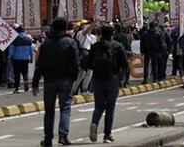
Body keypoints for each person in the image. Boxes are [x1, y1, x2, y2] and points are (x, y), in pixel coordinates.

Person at [33, 17, 81, 147]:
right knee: (65, 108)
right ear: (65, 28)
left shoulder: (46, 44)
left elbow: (39, 65)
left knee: (49, 111)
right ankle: (63, 135)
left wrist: (35, 83)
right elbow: (76, 63)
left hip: (49, 80)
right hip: (65, 79)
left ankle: (48, 139)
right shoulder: (70, 42)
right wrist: (73, 77)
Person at [86, 25, 128, 144]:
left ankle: (94, 123)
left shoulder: (95, 47)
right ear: (112, 33)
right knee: (110, 108)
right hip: (112, 79)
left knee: (98, 106)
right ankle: (107, 134)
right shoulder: (117, 46)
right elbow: (124, 64)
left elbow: (88, 64)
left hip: (98, 79)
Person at [8, 25, 33, 93]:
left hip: (16, 59)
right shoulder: (28, 39)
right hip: (25, 59)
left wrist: (10, 57)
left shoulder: (15, 39)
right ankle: (26, 84)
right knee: (25, 73)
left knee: (17, 74)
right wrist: (31, 58)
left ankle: (17, 88)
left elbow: (11, 50)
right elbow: (31, 50)